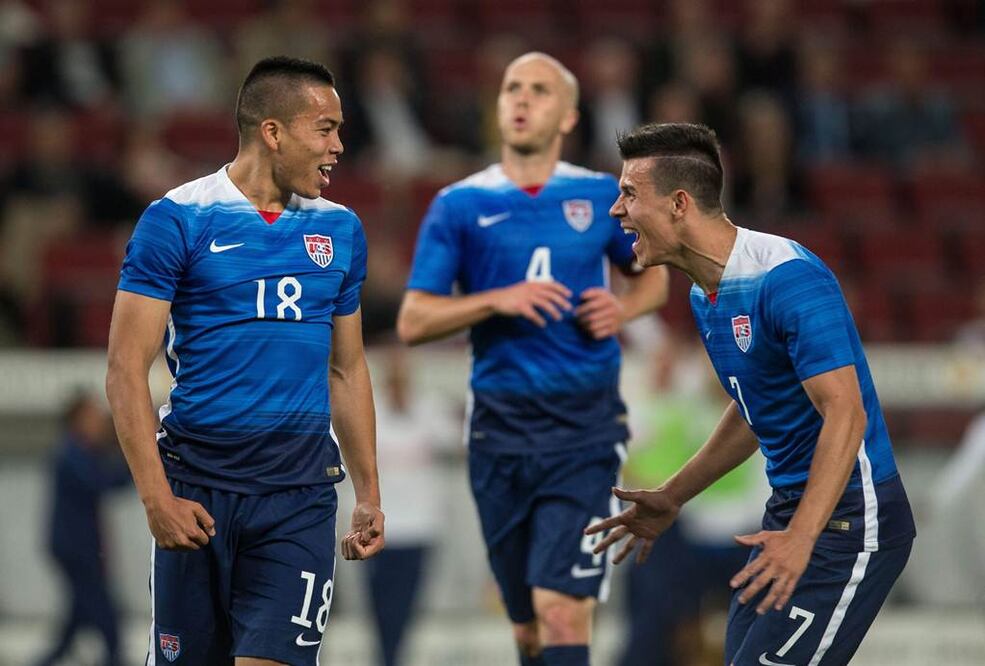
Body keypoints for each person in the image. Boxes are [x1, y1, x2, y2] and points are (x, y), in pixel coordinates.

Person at [589, 122, 916, 666]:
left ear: (678, 203)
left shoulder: (787, 277)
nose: (615, 212)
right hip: (789, 519)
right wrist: (672, 495)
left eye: (628, 195)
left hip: (851, 524)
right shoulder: (704, 295)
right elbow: (751, 412)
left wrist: (802, 538)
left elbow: (846, 412)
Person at [105, 56, 384, 666]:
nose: (339, 145)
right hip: (196, 491)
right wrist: (156, 498)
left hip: (299, 496)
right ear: (273, 131)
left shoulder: (341, 230)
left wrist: (368, 492)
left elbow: (347, 369)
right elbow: (126, 369)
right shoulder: (177, 218)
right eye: (326, 129)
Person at [397, 52, 669, 666]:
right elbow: (415, 320)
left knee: (562, 609)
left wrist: (622, 311)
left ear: (568, 115)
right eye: (511, 88)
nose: (521, 100)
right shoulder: (458, 205)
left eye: (540, 91)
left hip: (585, 430)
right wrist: (498, 300)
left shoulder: (602, 195)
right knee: (527, 627)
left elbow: (654, 280)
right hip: (499, 430)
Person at [34, 391, 131, 666]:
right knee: (106, 615)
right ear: (77, 419)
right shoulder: (70, 453)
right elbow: (103, 481)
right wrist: (138, 458)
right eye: (93, 416)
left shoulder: (80, 451)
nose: (99, 422)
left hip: (81, 548)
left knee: (76, 620)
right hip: (75, 549)